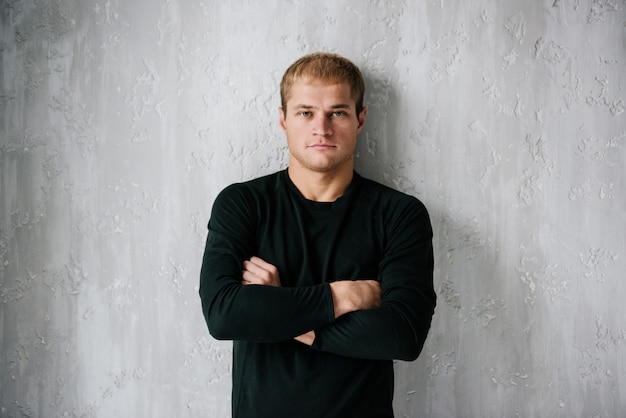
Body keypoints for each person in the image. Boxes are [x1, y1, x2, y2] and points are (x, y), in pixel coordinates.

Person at [199, 52, 436, 418]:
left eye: (337, 112)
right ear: (283, 119)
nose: (321, 128)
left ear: (361, 118)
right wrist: (340, 296)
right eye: (306, 112)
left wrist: (280, 310)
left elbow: (403, 336)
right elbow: (223, 315)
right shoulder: (243, 204)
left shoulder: (399, 214)